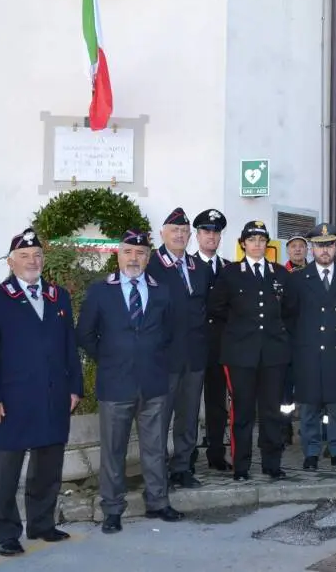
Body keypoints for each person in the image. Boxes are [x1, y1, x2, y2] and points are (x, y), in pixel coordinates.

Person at [0, 228, 83, 556]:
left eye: (37, 256)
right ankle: (4, 531)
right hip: (11, 399)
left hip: (53, 396)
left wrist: (74, 387)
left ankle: (42, 523)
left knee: (48, 465)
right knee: (7, 469)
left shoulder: (57, 296)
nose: (32, 261)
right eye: (24, 256)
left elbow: (68, 345)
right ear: (11, 262)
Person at [76, 229, 183, 534]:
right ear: (118, 255)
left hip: (153, 383)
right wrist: (109, 358)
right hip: (116, 383)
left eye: (140, 253)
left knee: (155, 447)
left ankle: (158, 502)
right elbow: (85, 334)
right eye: (128, 252)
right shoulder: (101, 291)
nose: (134, 258)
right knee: (113, 450)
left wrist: (155, 359)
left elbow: (170, 333)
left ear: (148, 258)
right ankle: (112, 509)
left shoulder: (161, 291)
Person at [207, 220, 295, 481]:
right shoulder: (231, 273)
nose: (257, 244)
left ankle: (272, 463)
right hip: (240, 354)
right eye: (252, 240)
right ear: (243, 244)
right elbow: (216, 307)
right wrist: (238, 328)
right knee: (242, 412)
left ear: (266, 244)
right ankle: (241, 465)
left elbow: (290, 311)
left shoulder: (280, 274)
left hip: (273, 354)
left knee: (271, 411)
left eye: (261, 240)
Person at [146, 207, 211, 489]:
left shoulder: (200, 268)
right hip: (163, 358)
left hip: (193, 356)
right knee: (159, 419)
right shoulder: (151, 266)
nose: (180, 235)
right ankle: (157, 472)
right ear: (162, 233)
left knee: (188, 416)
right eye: (175, 231)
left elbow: (205, 309)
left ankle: (183, 467)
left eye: (185, 232)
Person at [288, 223, 336, 470]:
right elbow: (290, 316)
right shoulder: (297, 279)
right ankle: (311, 452)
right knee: (309, 406)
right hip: (308, 351)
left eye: (329, 245)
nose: (325, 250)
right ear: (312, 249)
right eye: (319, 246)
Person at [191, 208, 231, 471]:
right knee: (189, 405)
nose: (211, 236)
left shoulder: (228, 268)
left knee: (217, 404)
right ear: (197, 235)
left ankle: (217, 453)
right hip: (192, 347)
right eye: (206, 231)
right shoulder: (188, 266)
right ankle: (187, 456)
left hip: (219, 347)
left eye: (216, 232)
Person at [281, 234, 309, 445]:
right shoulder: (281, 273)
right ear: (288, 250)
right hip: (288, 336)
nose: (298, 250)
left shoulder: (313, 272)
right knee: (285, 386)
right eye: (294, 247)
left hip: (309, 337)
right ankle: (284, 426)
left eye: (301, 246)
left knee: (310, 385)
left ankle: (312, 429)